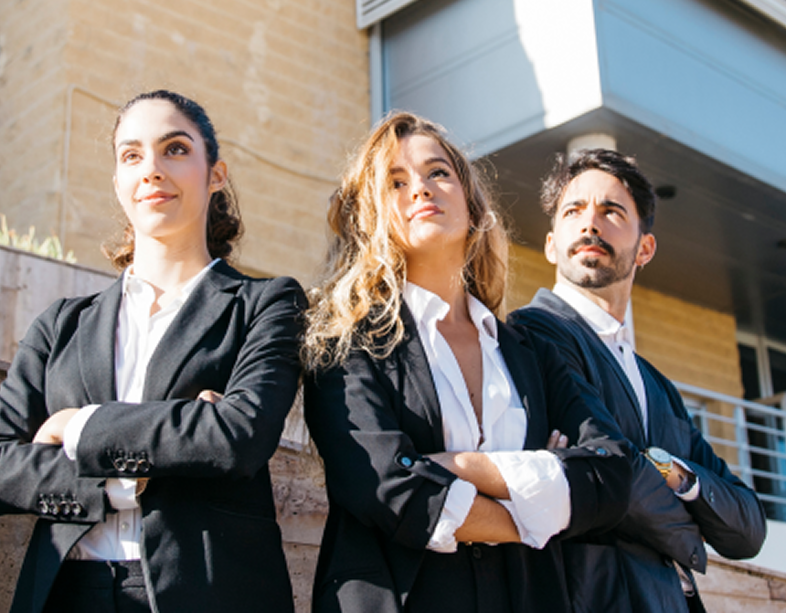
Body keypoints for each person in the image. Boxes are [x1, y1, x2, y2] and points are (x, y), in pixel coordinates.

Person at [302, 112, 633, 613]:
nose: (421, 189)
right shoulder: (345, 340)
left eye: (438, 173)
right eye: (395, 182)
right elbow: (389, 488)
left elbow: (610, 475)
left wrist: (455, 467)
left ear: (472, 205)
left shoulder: (532, 350)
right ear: (373, 215)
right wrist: (534, 502)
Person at [0, 90, 306, 613]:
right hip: (64, 594)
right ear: (118, 182)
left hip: (211, 593)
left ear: (216, 174)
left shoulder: (266, 303)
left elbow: (236, 438)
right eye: (132, 155)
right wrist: (124, 478)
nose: (152, 169)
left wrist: (75, 426)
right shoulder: (61, 325)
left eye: (176, 150)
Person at [508, 148, 767, 613]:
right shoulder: (534, 332)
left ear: (644, 248)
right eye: (574, 210)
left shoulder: (658, 385)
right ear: (550, 243)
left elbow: (748, 528)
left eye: (611, 211)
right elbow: (615, 474)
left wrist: (674, 472)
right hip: (589, 598)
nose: (591, 224)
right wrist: (690, 537)